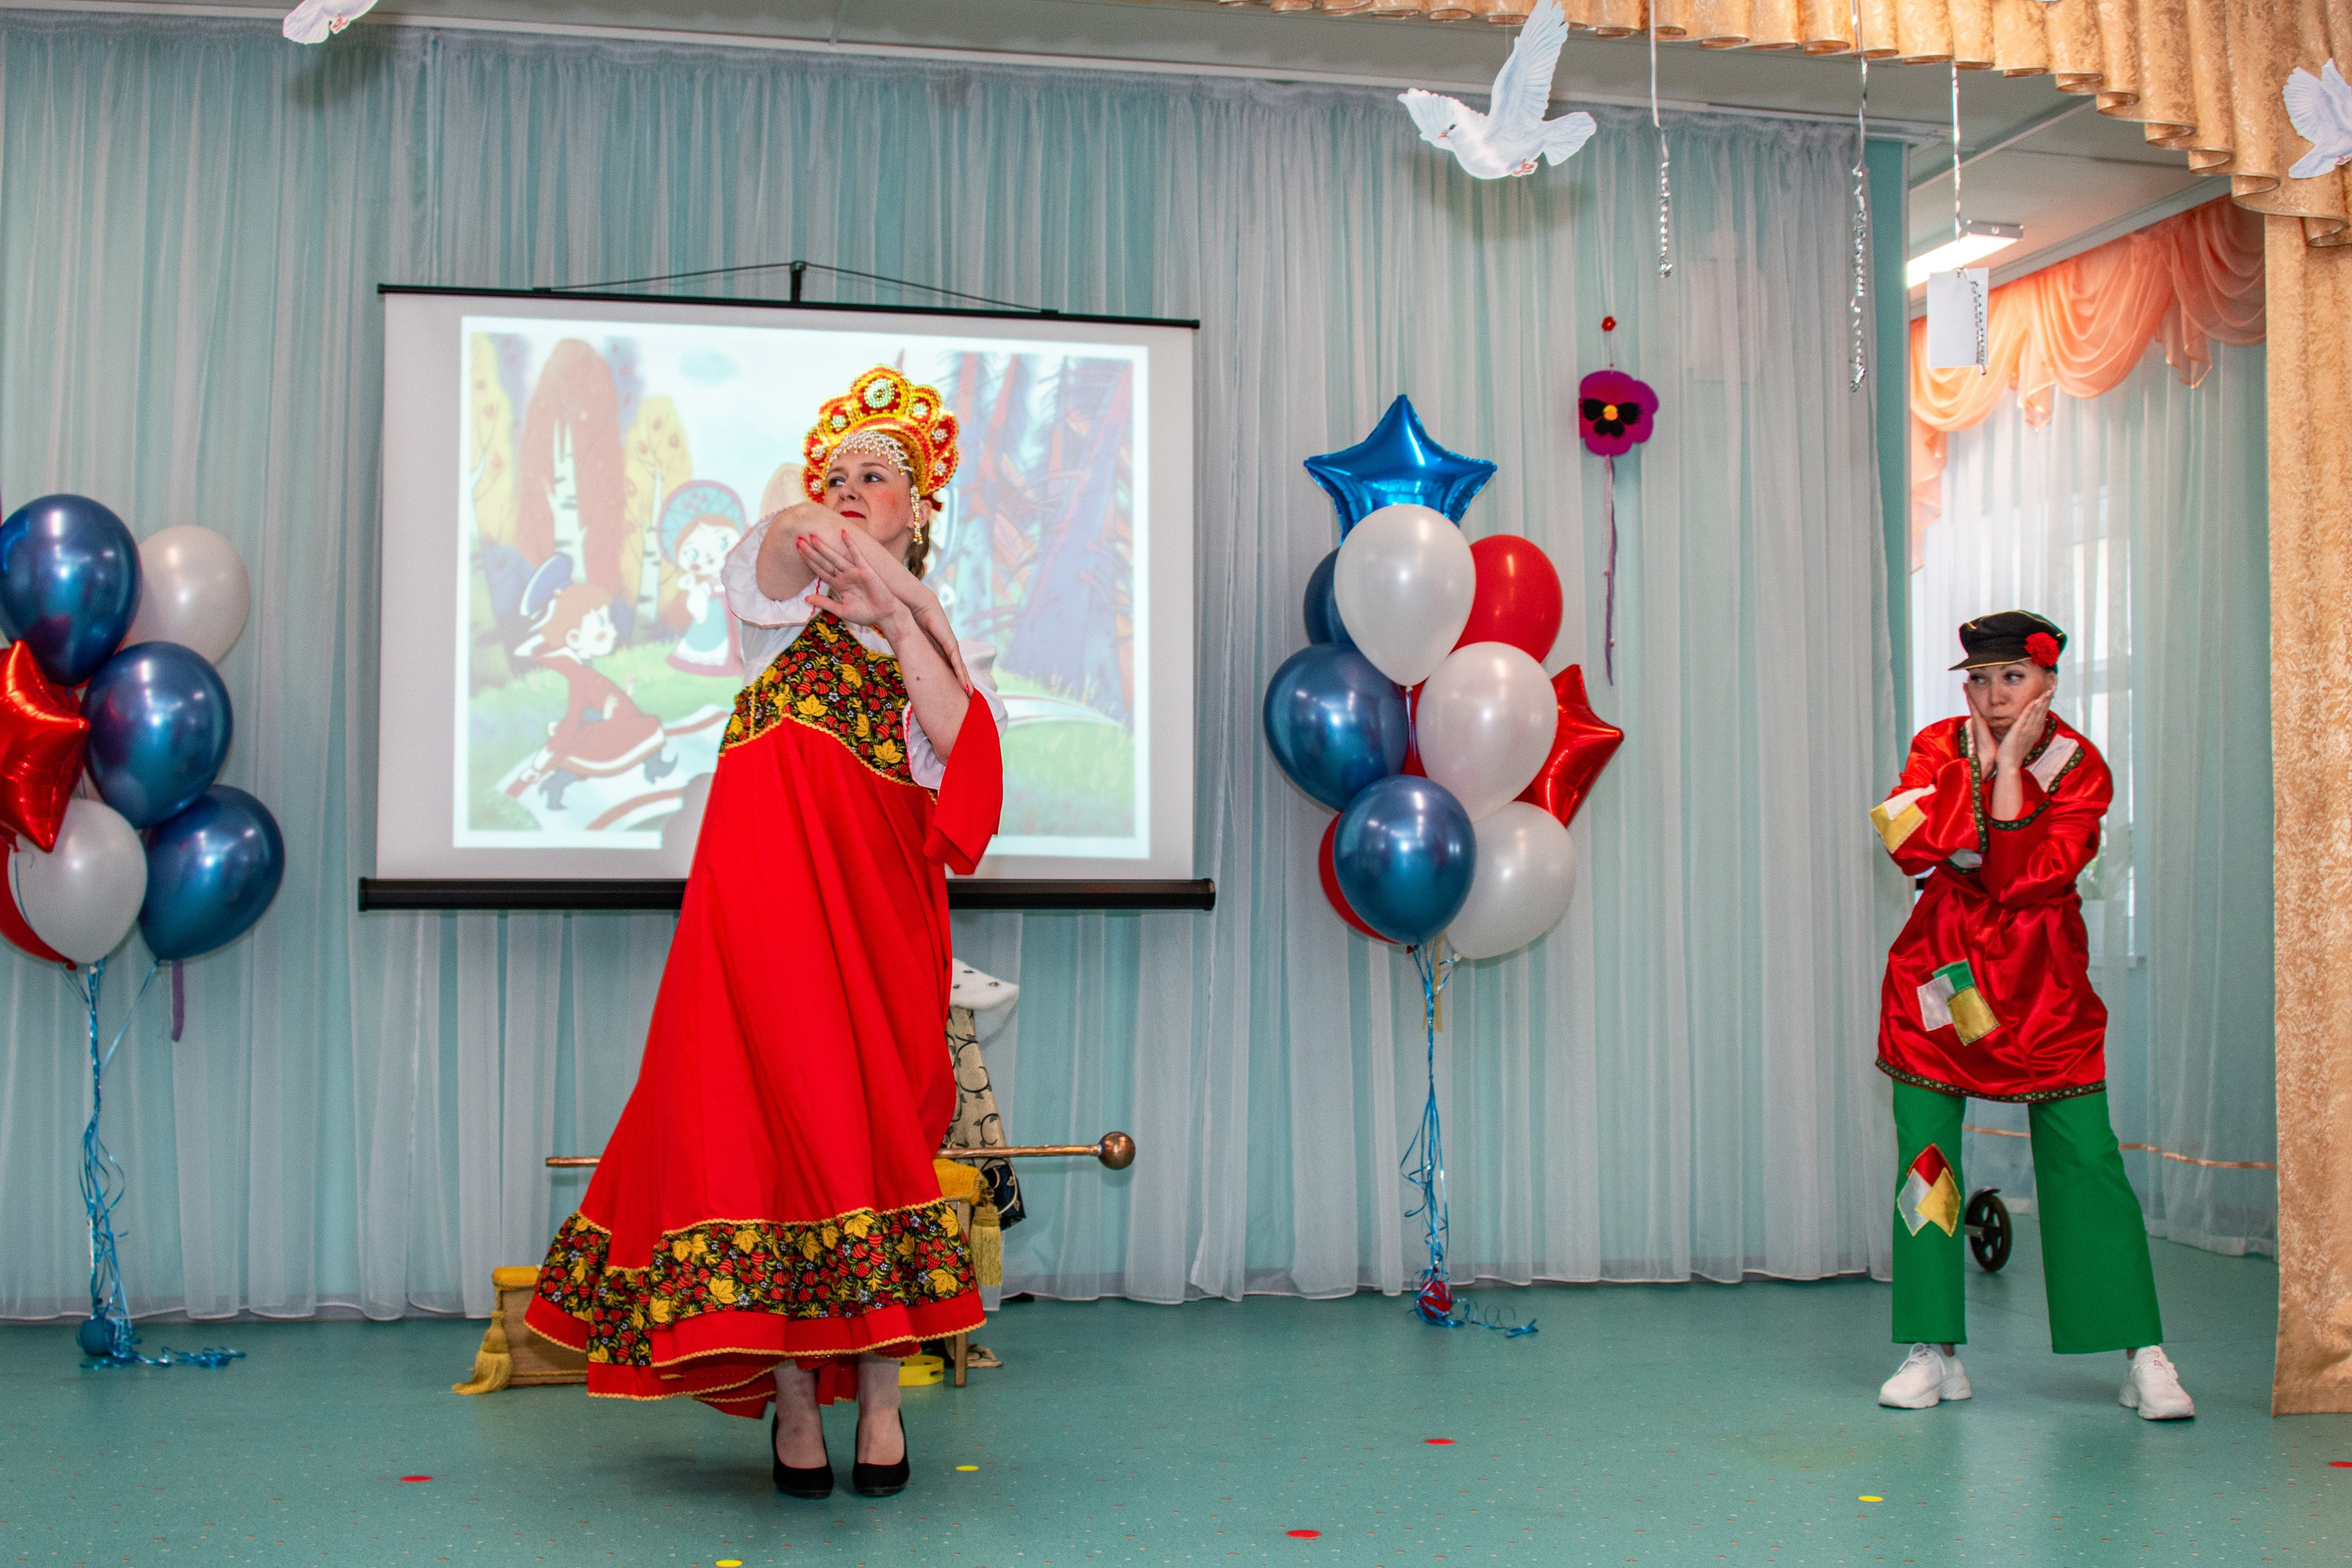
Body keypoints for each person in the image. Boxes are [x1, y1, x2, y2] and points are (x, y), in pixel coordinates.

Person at [525, 366, 1008, 1502]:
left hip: (877, 942)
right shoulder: (771, 607)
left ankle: (881, 1403)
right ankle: (793, 1403)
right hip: (756, 938)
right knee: (769, 1139)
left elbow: (968, 769)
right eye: (836, 471)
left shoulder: (929, 649)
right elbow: (789, 532)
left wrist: (902, 611)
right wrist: (850, 552)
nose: (846, 488)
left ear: (921, 510)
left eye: (877, 476)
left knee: (865, 1145)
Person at [1867, 610, 2193, 1420]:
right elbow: (1907, 842)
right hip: (1940, 986)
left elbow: (2021, 880)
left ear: (2049, 680)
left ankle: (2141, 1350)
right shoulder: (1936, 745)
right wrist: (1973, 796)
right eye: (1980, 677)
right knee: (1927, 1166)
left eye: (2013, 676)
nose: (1993, 693)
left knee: (2088, 1164)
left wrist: (2005, 769)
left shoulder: (2081, 765)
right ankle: (1932, 1348)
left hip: (2045, 992)